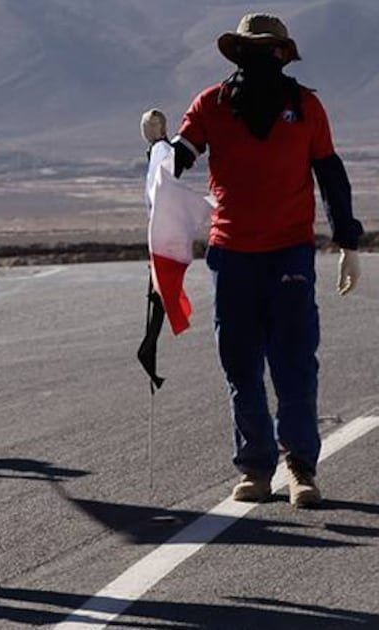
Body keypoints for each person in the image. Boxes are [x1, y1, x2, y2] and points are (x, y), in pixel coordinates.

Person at [164, 14, 363, 508]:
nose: (262, 59)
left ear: (282, 55)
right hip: (231, 255)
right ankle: (256, 468)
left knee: (294, 363)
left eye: (269, 50)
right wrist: (157, 147)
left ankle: (300, 468)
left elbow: (330, 175)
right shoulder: (212, 105)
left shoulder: (306, 107)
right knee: (240, 364)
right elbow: (178, 160)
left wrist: (348, 243)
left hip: (289, 251)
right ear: (238, 55)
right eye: (252, 51)